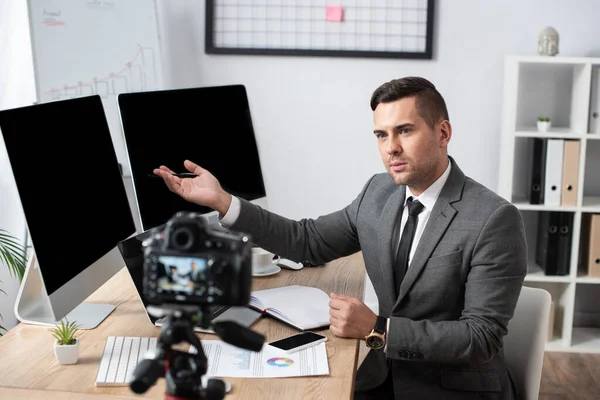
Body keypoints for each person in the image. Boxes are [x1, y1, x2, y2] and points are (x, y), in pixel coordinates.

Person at [153, 77, 527, 399]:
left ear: (443, 132)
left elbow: (481, 338)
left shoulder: (493, 219)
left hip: (452, 390)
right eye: (381, 134)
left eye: (405, 131)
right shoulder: (378, 193)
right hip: (382, 375)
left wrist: (378, 328)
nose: (390, 147)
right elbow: (306, 240)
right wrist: (224, 201)